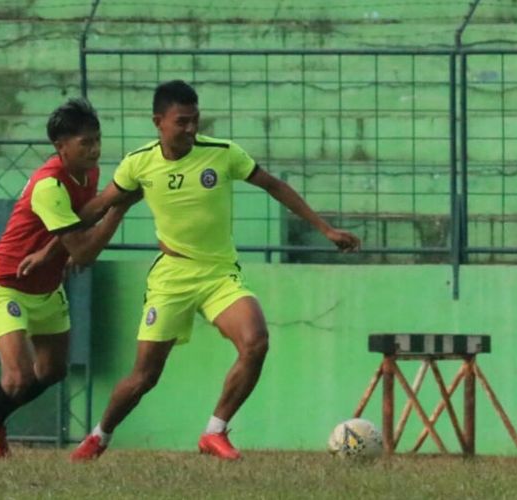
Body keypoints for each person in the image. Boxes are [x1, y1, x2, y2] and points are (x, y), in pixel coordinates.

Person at [69, 80, 361, 461]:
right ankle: (99, 436)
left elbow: (273, 185)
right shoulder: (139, 163)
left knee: (255, 341)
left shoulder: (223, 154)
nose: (191, 128)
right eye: (182, 121)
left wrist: (326, 229)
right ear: (159, 121)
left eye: (196, 120)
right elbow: (99, 206)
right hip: (171, 277)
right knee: (144, 377)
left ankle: (215, 430)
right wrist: (50, 242)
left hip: (219, 273)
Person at [0, 97, 135, 461]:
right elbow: (82, 253)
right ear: (59, 146)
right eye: (86, 143)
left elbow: (78, 218)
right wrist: (120, 207)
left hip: (46, 287)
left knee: (51, 372)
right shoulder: (49, 185)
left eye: (97, 140)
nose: (95, 149)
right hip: (7, 284)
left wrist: (49, 254)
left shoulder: (89, 172)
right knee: (17, 379)